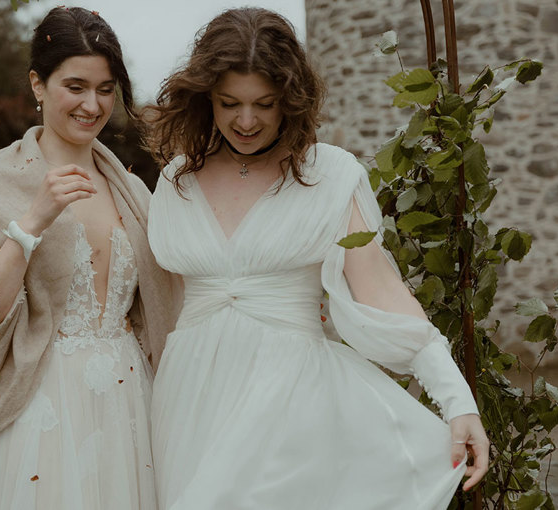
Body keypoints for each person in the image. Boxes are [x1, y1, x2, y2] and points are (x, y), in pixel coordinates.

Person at [143, 7, 488, 509]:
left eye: (264, 103)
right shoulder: (177, 181)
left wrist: (457, 399)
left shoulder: (329, 174)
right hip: (188, 401)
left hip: (291, 402)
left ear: (291, 99)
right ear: (205, 99)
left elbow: (382, 292)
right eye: (228, 103)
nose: (246, 120)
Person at [0, 7, 177, 509]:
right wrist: (31, 222)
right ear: (38, 84)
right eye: (74, 86)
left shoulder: (134, 192)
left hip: (127, 401)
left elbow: (164, 299)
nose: (92, 104)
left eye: (104, 88)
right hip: (40, 402)